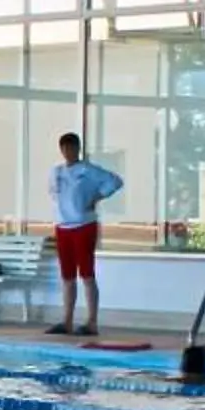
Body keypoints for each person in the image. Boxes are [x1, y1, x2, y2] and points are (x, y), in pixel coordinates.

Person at [45, 132, 124, 337]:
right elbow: (53, 194)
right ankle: (67, 321)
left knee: (87, 274)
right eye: (64, 148)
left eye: (71, 148)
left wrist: (96, 197)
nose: (68, 152)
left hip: (84, 225)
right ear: (61, 150)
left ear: (78, 149)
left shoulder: (88, 170)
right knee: (67, 276)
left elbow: (115, 182)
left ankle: (91, 322)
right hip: (63, 227)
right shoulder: (56, 172)